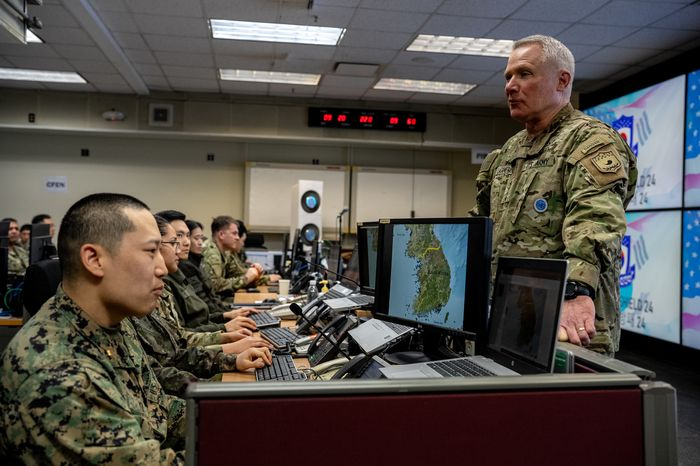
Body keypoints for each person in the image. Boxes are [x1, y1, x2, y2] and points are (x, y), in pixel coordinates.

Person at [468, 35, 637, 356]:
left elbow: (596, 223)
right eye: (508, 77)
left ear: (562, 80)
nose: (510, 86)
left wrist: (576, 291)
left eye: (525, 74)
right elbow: (480, 228)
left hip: (569, 320)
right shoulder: (508, 152)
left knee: (566, 406)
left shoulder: (591, 140)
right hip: (510, 315)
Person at [1, 193, 186, 463]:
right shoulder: (58, 374)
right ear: (94, 259)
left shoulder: (111, 326)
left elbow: (159, 411)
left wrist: (231, 419)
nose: (163, 269)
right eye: (150, 251)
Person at [130, 215, 271, 397]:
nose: (184, 244)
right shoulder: (147, 296)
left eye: (189, 237)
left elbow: (175, 349)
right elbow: (175, 354)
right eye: (176, 239)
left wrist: (228, 345)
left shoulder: (168, 282)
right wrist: (226, 341)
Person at [200, 215, 265, 295]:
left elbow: (238, 273)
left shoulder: (226, 252)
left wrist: (255, 272)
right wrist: (246, 279)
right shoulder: (211, 252)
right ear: (221, 235)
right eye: (234, 233)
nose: (237, 238)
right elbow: (215, 285)